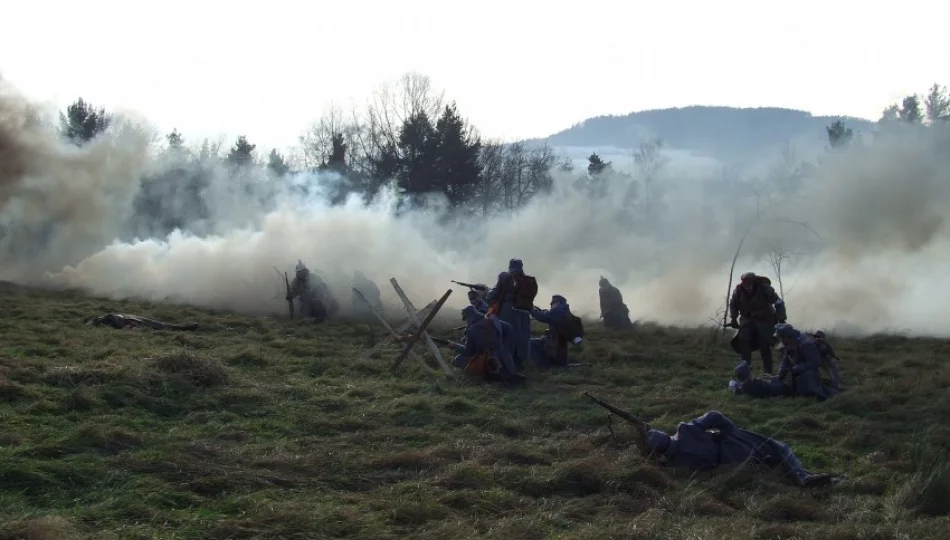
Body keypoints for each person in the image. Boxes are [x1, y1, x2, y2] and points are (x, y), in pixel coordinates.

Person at [644, 410, 841, 487]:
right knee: (777, 448)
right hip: (731, 445)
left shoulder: (674, 462)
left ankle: (806, 477)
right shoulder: (685, 430)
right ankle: (805, 477)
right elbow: (714, 416)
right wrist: (731, 432)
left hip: (728, 463)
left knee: (770, 466)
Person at [444, 306, 524, 385]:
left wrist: (454, 346)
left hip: (488, 360)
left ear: (468, 317)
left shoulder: (471, 331)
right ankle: (511, 375)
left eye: (465, 319)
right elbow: (509, 327)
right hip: (504, 356)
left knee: (456, 361)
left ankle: (494, 378)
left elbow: (468, 352)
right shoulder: (492, 319)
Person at [728, 272, 786, 374]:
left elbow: (778, 302)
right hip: (747, 318)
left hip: (764, 319)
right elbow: (733, 304)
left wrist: (781, 319)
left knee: (764, 344)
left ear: (754, 281)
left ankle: (767, 372)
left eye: (749, 282)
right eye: (744, 283)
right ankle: (745, 370)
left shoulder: (764, 288)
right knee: (743, 341)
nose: (747, 286)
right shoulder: (738, 290)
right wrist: (733, 318)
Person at [486, 259, 533, 371]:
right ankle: (519, 363)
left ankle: (506, 366)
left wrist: (487, 292)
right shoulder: (528, 281)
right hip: (524, 314)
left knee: (507, 337)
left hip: (508, 312)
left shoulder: (504, 277)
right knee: (522, 338)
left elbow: (494, 295)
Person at [774, 323, 841, 401]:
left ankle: (834, 397)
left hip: (825, 365)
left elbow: (816, 361)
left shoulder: (805, 345)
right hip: (812, 364)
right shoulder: (788, 343)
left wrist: (797, 368)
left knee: (829, 386)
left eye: (781, 337)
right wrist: (779, 375)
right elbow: (785, 360)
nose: (780, 340)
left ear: (787, 336)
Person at [530, 294, 581, 369]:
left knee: (531, 344)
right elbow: (548, 315)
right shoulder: (564, 311)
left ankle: (542, 366)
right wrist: (538, 310)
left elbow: (542, 317)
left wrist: (531, 309)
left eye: (552, 303)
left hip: (555, 345)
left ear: (558, 303)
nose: (551, 306)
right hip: (559, 346)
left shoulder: (558, 311)